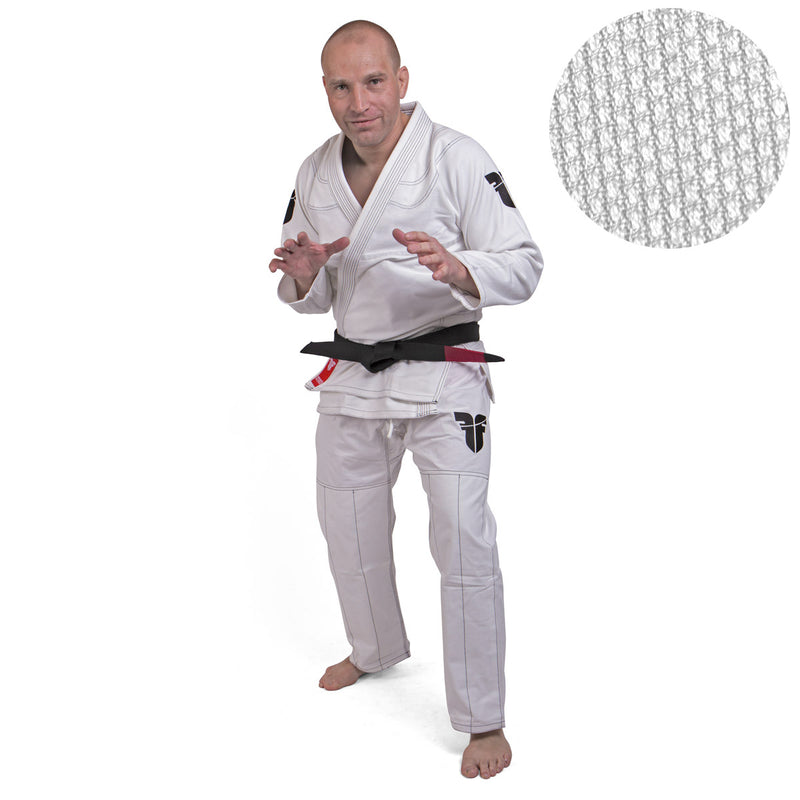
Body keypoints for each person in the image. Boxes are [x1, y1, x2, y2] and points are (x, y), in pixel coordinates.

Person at [269, 20, 543, 780]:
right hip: (353, 374)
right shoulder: (314, 171)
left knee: (463, 538)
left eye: (373, 82)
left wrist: (462, 270)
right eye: (341, 86)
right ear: (326, 91)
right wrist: (302, 276)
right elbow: (311, 290)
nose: (359, 102)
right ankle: (375, 649)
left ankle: (483, 718)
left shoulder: (457, 157)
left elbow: (525, 263)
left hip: (444, 371)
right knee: (346, 526)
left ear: (401, 80)